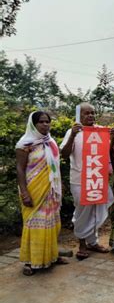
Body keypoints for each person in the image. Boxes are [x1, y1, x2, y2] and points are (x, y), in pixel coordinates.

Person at [60, 103, 114, 260]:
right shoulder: (73, 132)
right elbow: (64, 154)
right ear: (79, 115)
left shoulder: (99, 130)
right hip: (79, 180)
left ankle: (93, 242)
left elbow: (107, 153)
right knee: (82, 212)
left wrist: (112, 138)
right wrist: (72, 134)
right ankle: (82, 244)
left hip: (97, 178)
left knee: (96, 211)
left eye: (92, 113)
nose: (90, 116)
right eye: (87, 113)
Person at [16, 111, 68, 275]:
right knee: (34, 224)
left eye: (48, 122)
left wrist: (61, 183)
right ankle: (31, 261)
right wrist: (24, 192)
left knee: (51, 222)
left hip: (51, 190)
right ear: (33, 124)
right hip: (34, 190)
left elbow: (55, 167)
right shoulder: (25, 144)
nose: (45, 125)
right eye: (41, 122)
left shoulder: (50, 142)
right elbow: (20, 168)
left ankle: (52, 256)